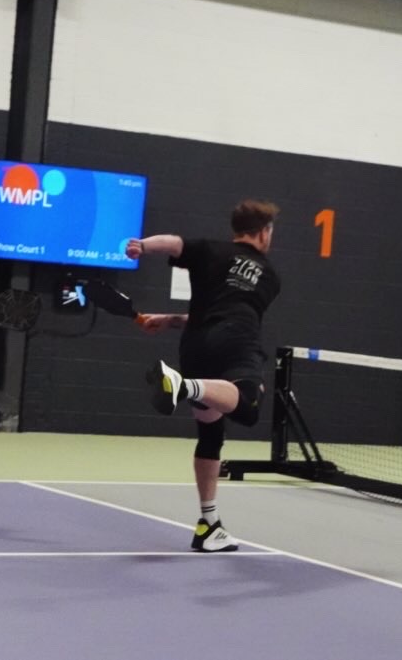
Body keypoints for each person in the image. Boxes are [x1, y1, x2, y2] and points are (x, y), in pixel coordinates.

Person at [126, 199, 281, 552]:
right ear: (263, 232)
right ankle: (184, 386)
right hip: (237, 341)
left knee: (211, 434)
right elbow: (233, 312)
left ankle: (209, 525)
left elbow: (174, 244)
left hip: (195, 346)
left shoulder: (210, 250)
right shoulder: (270, 276)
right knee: (248, 405)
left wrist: (142, 246)